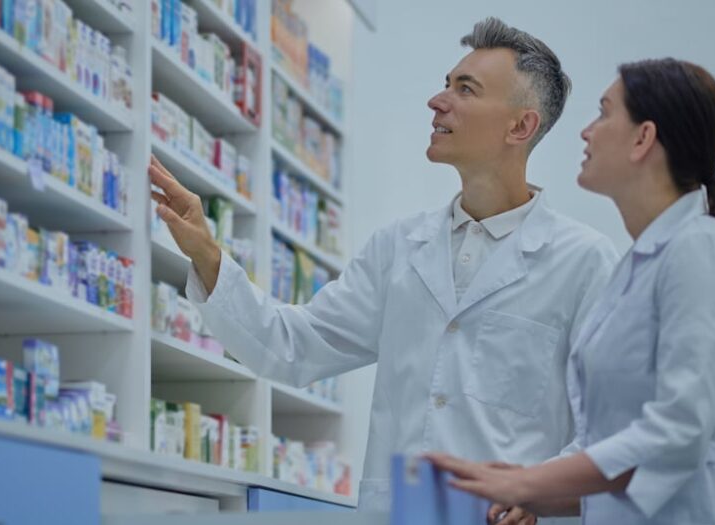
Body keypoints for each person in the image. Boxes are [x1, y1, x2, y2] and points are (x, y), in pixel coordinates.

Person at [149, 17, 617, 515]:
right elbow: (290, 348)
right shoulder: (398, 248)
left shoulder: (584, 262)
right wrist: (207, 254)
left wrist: (539, 493)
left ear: (520, 126)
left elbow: (609, 427)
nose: (437, 101)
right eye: (446, 84)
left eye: (466, 89)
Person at [429, 58, 715, 524]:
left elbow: (678, 434)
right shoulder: (636, 270)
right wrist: (540, 492)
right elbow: (622, 459)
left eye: (603, 113)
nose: (586, 132)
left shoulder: (701, 248)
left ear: (643, 138)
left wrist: (528, 484)